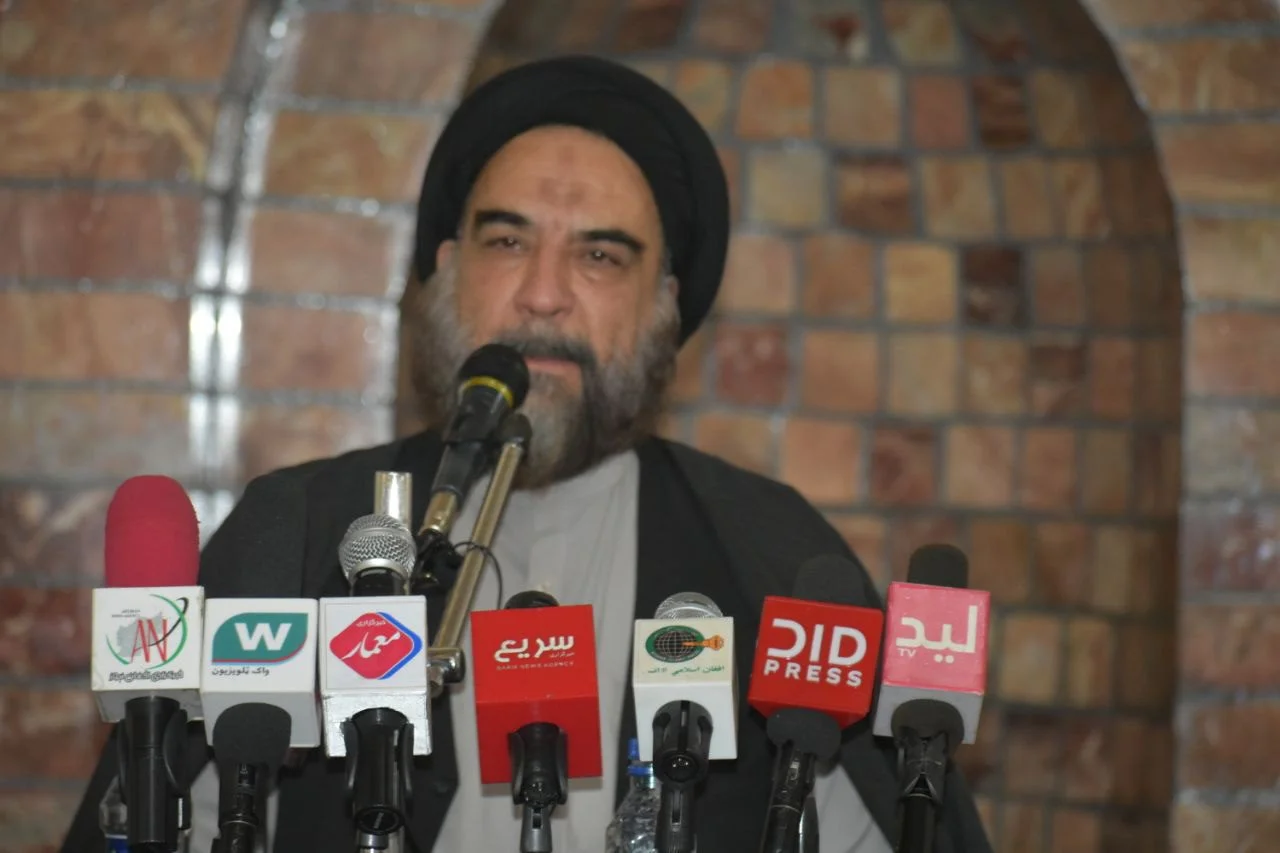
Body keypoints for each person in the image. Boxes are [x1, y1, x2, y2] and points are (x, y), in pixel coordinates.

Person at [61, 55, 991, 853]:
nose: (544, 294)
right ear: (444, 269)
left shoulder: (772, 552)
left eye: (600, 256)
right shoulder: (295, 533)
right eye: (508, 240)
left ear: (664, 302)